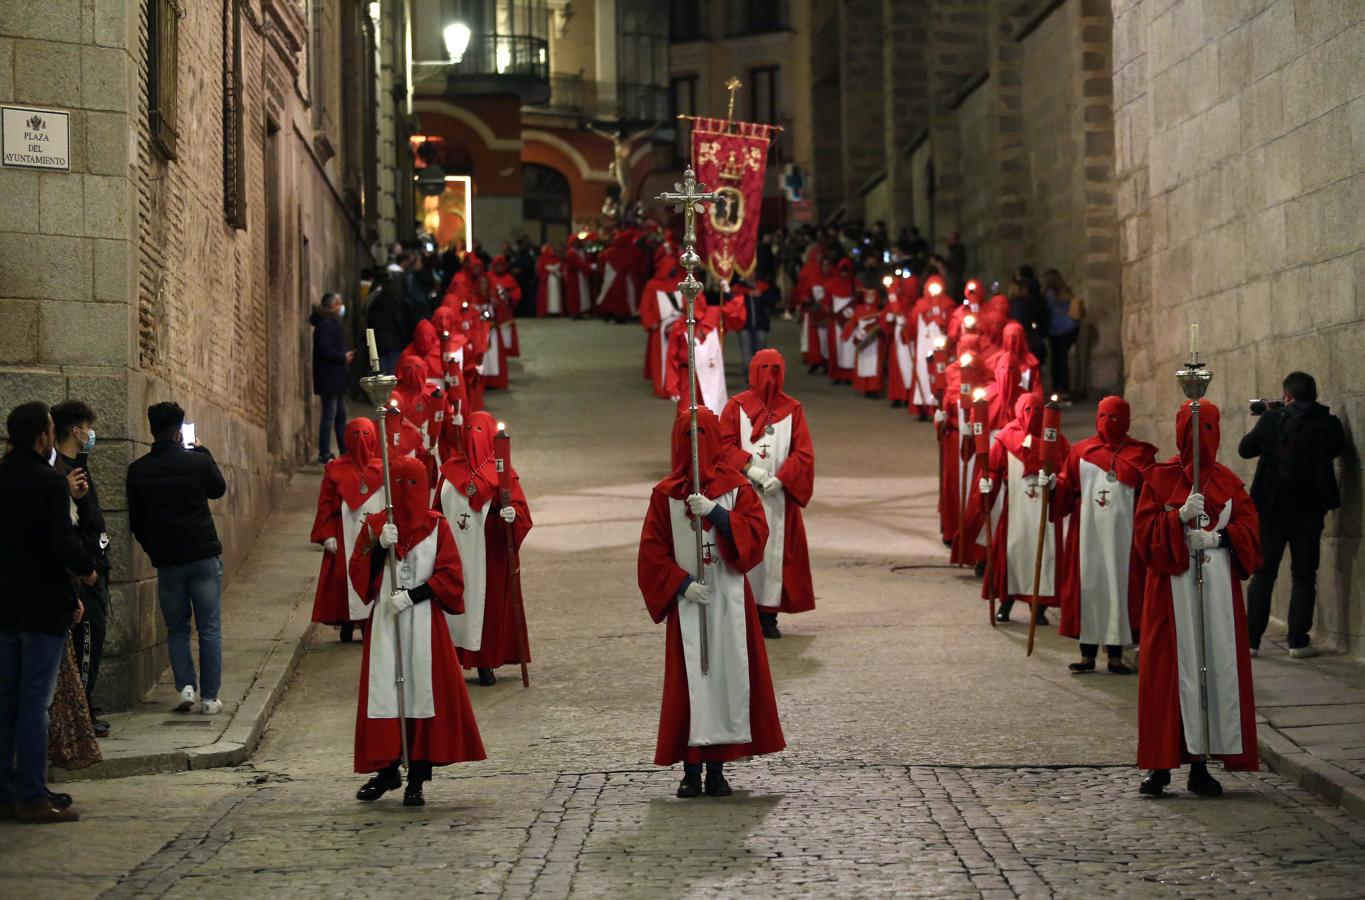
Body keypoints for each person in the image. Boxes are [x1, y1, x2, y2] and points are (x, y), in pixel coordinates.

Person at [637, 408, 784, 797]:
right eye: (690, 434)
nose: (697, 442)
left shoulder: (737, 488)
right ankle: (690, 770)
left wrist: (718, 513)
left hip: (727, 597)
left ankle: (717, 768)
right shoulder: (665, 496)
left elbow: (755, 533)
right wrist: (682, 585)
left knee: (725, 678)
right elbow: (652, 554)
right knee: (691, 685)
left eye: (704, 433)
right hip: (690, 604)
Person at [1134, 401, 1261, 797]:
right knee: (1167, 673)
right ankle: (1160, 764)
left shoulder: (1229, 483)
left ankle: (1202, 764)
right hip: (1170, 596)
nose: (1199, 440)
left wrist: (1218, 538)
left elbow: (1251, 534)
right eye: (1194, 430)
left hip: (1217, 594)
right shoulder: (1159, 479)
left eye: (1208, 429)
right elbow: (1143, 537)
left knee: (1213, 668)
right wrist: (1175, 519)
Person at [349, 455, 485, 806]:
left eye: (413, 484)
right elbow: (359, 571)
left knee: (421, 692)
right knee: (386, 692)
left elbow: (451, 576)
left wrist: (414, 595)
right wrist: (379, 547)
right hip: (386, 623)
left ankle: (418, 776)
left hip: (423, 622)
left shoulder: (437, 526)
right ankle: (387, 768)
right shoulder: (376, 525)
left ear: (424, 486)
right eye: (399, 484)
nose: (406, 491)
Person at [0, 401, 96, 823]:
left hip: (5, 607)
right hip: (42, 608)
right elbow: (62, 542)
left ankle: (7, 792)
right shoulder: (48, 482)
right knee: (35, 704)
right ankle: (33, 795)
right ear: (43, 436)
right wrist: (88, 571)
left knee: (6, 703)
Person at [127, 402, 228, 715]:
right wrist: (204, 453)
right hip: (202, 556)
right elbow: (218, 489)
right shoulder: (196, 462)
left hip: (168, 560)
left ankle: (185, 687)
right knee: (209, 628)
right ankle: (210, 698)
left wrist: (154, 549)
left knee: (177, 628)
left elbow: (137, 522)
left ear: (151, 430)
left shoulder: (139, 470)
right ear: (178, 430)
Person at [1239, 372, 1346, 658]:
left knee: (1263, 574)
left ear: (1287, 396)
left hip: (1272, 509)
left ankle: (1251, 641)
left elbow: (1245, 450)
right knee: (1304, 575)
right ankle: (1298, 642)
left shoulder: (1273, 419)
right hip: (1310, 510)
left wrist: (1272, 418)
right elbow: (1338, 449)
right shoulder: (1329, 423)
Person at [1051, 397, 1158, 673]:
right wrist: (1053, 486)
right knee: (1089, 588)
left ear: (1125, 419)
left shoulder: (1140, 456)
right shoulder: (1080, 453)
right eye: (1101, 416)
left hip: (1124, 539)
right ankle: (1086, 655)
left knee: (1118, 590)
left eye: (1113, 418)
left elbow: (1151, 495)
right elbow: (1067, 488)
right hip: (1087, 534)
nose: (1106, 423)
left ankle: (1114, 656)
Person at [719, 350, 816, 639]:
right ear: (753, 371)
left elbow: (803, 452)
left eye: (776, 368)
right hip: (743, 493)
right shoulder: (736, 407)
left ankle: (768, 616)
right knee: (745, 550)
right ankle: (743, 614)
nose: (770, 375)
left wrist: (783, 479)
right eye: (764, 368)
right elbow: (723, 446)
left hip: (777, 497)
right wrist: (751, 471)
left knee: (774, 554)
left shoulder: (793, 409)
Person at [435, 412, 533, 686]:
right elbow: (435, 511)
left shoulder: (503, 474)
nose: (474, 435)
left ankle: (485, 662)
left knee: (486, 606)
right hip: (454, 551)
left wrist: (512, 517)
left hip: (490, 554)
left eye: (480, 429)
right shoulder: (449, 472)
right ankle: (451, 659)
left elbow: (522, 513)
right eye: (469, 429)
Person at [50, 400, 112, 737]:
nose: (91, 435)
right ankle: (82, 714)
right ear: (75, 430)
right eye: (87, 428)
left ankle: (85, 707)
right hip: (80, 575)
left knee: (92, 641)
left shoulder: (78, 467)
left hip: (93, 566)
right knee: (86, 641)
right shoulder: (60, 472)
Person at [978, 394, 1069, 624]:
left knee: (1043, 553)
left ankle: (1037, 607)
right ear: (1020, 410)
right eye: (1028, 410)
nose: (1033, 416)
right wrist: (987, 483)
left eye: (1038, 411)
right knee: (1011, 552)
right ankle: (1005, 602)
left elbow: (1067, 471)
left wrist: (1055, 482)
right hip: (1016, 508)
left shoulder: (1055, 438)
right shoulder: (1006, 437)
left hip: (1044, 509)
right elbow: (994, 469)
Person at [310, 419, 387, 643]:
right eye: (355, 434)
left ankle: (367, 623)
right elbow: (325, 503)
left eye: (366, 433)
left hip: (372, 532)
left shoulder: (383, 469)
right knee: (343, 578)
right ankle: (345, 622)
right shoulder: (335, 469)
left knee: (371, 573)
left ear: (373, 437)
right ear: (346, 438)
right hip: (345, 532)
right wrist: (327, 534)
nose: (361, 439)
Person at [664, 287, 746, 415]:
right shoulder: (679, 326)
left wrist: (728, 293)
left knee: (713, 412)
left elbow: (737, 314)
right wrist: (672, 387)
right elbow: (672, 357)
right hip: (689, 376)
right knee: (686, 415)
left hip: (711, 374)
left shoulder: (715, 314)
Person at [312, 292, 354, 463]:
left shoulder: (329, 323)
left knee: (340, 415)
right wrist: (342, 357)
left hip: (334, 378)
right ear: (331, 305)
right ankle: (324, 452)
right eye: (339, 303)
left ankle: (344, 450)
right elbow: (325, 350)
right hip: (330, 378)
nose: (341, 306)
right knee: (330, 414)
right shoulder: (327, 325)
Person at [366, 273, 417, 374]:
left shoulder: (376, 302)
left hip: (379, 343)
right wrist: (406, 341)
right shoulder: (395, 304)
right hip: (394, 343)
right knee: (393, 372)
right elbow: (400, 324)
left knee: (382, 370)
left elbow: (370, 322)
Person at [1042, 270, 1080, 400]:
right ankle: (1065, 390)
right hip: (1069, 329)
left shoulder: (1049, 294)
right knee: (1062, 361)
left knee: (1057, 362)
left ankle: (1059, 390)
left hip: (1056, 331)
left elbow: (1046, 310)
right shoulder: (1066, 292)